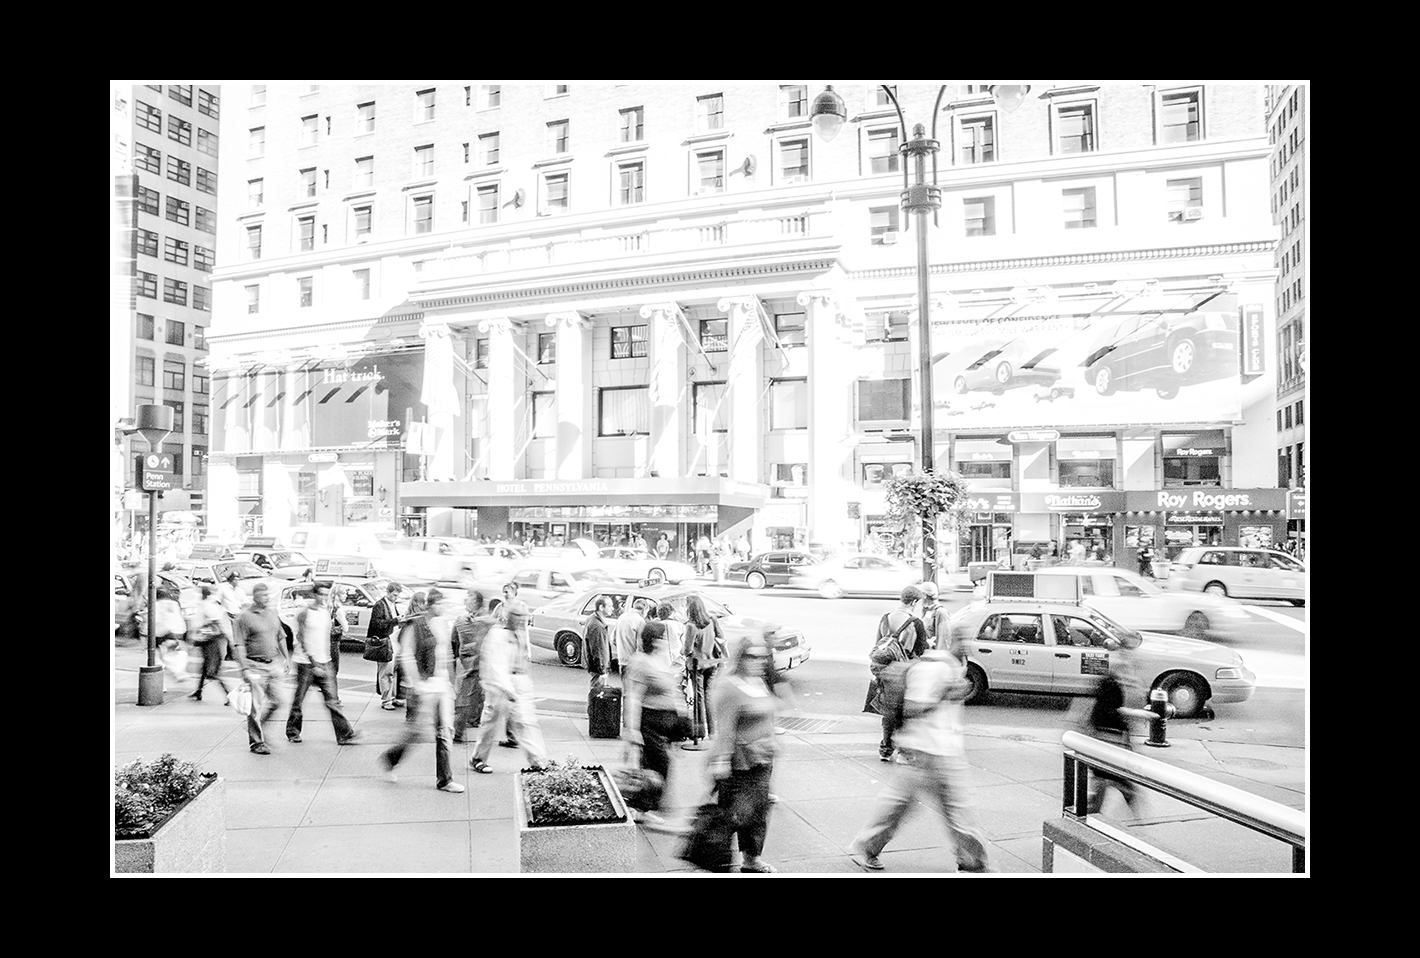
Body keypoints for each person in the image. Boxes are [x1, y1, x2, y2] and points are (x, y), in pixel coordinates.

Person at [850, 645, 991, 873]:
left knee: (944, 807)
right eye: (962, 636)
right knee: (911, 806)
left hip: (943, 750)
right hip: (922, 750)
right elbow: (913, 708)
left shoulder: (956, 666)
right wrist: (944, 695)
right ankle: (868, 845)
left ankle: (972, 862)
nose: (967, 642)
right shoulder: (930, 668)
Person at [702, 632, 779, 873]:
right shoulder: (730, 686)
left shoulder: (758, 682)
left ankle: (751, 859)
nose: (759, 661)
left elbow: (766, 716)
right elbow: (724, 728)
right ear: (741, 657)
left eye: (762, 657)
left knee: (758, 812)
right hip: (739, 763)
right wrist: (721, 761)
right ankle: (711, 856)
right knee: (734, 815)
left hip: (762, 759)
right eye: (753, 656)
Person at [383, 589, 464, 792]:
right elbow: (407, 655)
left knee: (444, 731)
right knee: (417, 732)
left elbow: (446, 654)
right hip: (425, 685)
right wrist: (416, 683)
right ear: (431, 604)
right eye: (439, 604)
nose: (442, 607)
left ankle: (445, 779)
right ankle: (391, 758)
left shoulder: (442, 624)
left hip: (441, 684)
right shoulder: (416, 625)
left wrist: (451, 682)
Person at [470, 601, 548, 774]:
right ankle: (478, 758)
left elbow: (523, 660)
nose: (521, 619)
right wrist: (507, 688)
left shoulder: (520, 633)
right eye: (517, 615)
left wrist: (524, 684)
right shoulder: (497, 635)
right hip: (500, 685)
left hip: (518, 682)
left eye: (523, 615)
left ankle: (539, 761)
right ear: (508, 616)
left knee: (526, 722)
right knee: (490, 723)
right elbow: (496, 664)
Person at [623, 621, 687, 826]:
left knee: (658, 765)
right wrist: (633, 731)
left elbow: (672, 689)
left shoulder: (660, 659)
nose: (666, 641)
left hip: (666, 723)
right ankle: (643, 808)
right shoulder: (640, 662)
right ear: (655, 640)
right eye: (664, 638)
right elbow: (633, 698)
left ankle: (646, 805)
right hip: (650, 723)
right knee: (658, 765)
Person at [285, 581, 361, 746]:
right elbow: (301, 639)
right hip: (306, 664)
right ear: (314, 595)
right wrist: (314, 663)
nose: (323, 598)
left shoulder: (326, 613)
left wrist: (327, 660)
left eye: (326, 595)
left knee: (333, 701)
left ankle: (345, 734)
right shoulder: (304, 613)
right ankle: (292, 731)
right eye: (320, 594)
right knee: (299, 700)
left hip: (325, 662)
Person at [871, 586, 929, 762]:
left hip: (885, 671)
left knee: (889, 711)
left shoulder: (885, 618)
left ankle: (885, 750)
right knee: (904, 712)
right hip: (905, 671)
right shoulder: (916, 623)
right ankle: (904, 753)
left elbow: (878, 644)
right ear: (914, 602)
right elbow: (920, 650)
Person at [231, 583, 290, 754]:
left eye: (267, 594)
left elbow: (280, 637)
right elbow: (239, 645)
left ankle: (259, 726)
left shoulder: (272, 613)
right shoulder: (244, 617)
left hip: (273, 664)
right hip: (255, 666)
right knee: (255, 707)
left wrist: (286, 658)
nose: (267, 598)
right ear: (255, 596)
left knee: (278, 701)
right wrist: (244, 669)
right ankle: (256, 743)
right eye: (263, 595)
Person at [1083, 672, 1140, 815]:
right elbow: (1126, 743)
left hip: (1098, 765)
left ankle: (1089, 815)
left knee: (1097, 794)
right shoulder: (1119, 719)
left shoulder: (1096, 712)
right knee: (1129, 791)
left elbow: (1089, 733)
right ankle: (1136, 814)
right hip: (1115, 765)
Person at [452, 591, 495, 744]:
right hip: (476, 664)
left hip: (473, 663)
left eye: (468, 599)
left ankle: (459, 730)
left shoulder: (477, 621)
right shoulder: (480, 620)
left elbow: (454, 641)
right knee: (475, 695)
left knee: (467, 697)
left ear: (476, 602)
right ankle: (471, 722)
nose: (465, 601)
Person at [682, 594, 725, 741]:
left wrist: (682, 650)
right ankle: (713, 732)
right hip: (712, 663)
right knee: (709, 696)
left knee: (699, 697)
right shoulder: (711, 620)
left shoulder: (691, 626)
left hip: (697, 665)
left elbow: (687, 649)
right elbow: (721, 637)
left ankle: (700, 731)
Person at [186, 585, 232, 703]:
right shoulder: (212, 604)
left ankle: (228, 694)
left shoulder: (206, 605)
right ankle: (199, 691)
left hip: (209, 640)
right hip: (210, 639)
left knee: (211, 671)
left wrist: (193, 635)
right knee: (204, 668)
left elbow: (201, 622)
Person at [369, 581, 404, 711]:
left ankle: (391, 696)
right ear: (388, 592)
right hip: (385, 641)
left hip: (392, 640)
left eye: (397, 595)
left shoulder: (391, 604)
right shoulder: (380, 605)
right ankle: (386, 699)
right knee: (386, 672)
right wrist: (395, 621)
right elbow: (377, 624)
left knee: (393, 671)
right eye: (394, 595)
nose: (396, 597)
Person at [583, 595, 613, 690]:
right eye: (609, 606)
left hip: (596, 666)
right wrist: (602, 670)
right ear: (601, 607)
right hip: (598, 668)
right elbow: (598, 650)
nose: (612, 608)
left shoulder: (592, 619)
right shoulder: (597, 626)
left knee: (597, 690)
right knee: (598, 692)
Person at [614, 597, 648, 678]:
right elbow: (640, 645)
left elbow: (613, 639)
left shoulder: (621, 618)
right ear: (644, 610)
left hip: (621, 660)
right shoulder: (640, 621)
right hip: (633, 663)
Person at [917, 581, 949, 651]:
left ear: (924, 595)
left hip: (933, 654)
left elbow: (943, 640)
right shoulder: (924, 610)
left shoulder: (940, 612)